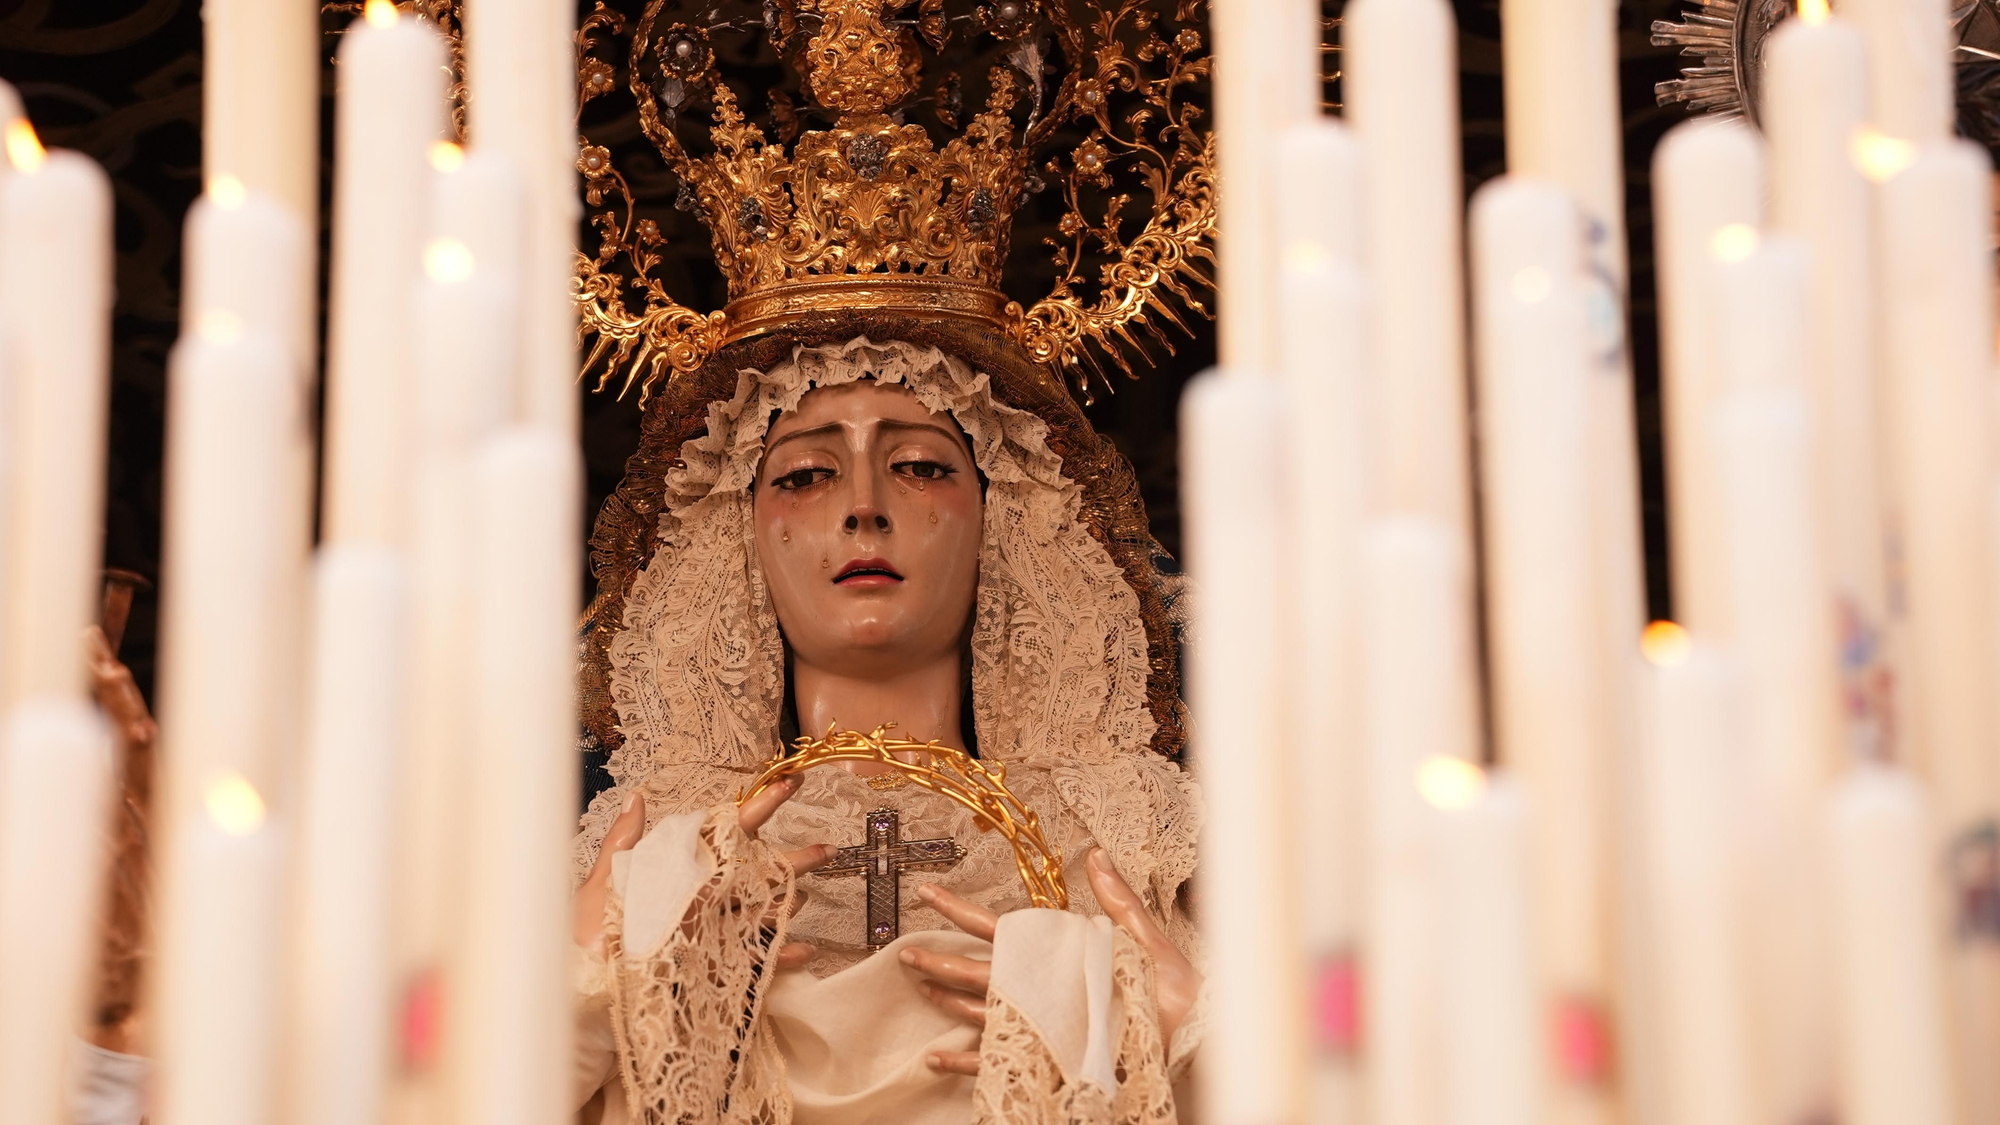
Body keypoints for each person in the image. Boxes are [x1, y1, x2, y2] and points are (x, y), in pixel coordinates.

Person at [564, 338, 1204, 1122]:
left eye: (922, 466)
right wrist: (587, 992)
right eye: (805, 476)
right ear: (738, 533)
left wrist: (1181, 1028)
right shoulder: (641, 866)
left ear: (1002, 519)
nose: (864, 504)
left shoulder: (1129, 847)